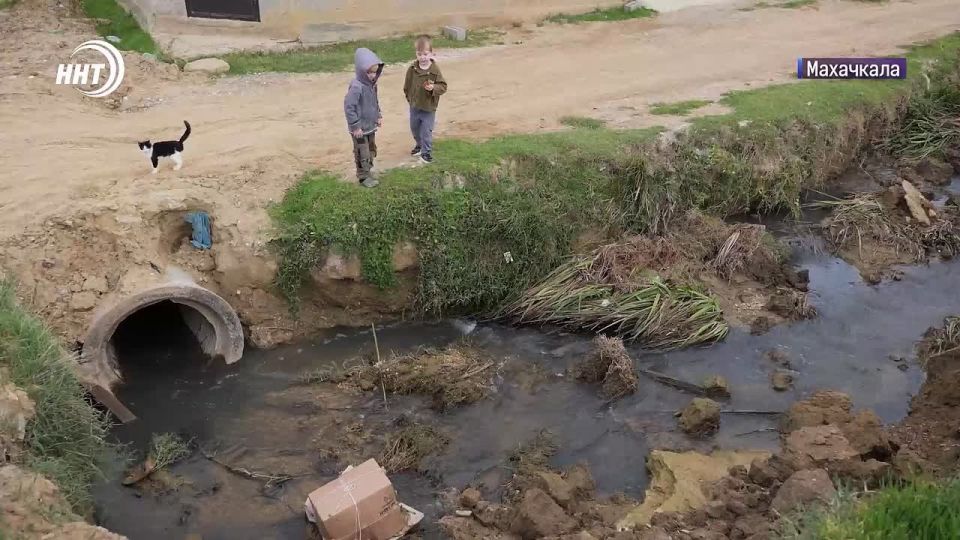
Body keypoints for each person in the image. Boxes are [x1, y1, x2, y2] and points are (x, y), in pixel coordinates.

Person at [403, 35, 448, 164]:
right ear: (416, 54)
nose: (422, 57)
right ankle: (419, 145)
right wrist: (410, 99)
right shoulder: (412, 69)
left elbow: (443, 86)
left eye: (425, 54)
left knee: (426, 130)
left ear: (431, 54)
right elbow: (407, 86)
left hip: (428, 108)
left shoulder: (434, 70)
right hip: (415, 106)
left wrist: (433, 87)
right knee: (415, 128)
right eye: (419, 54)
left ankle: (426, 153)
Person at [344, 48, 384, 187]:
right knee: (362, 152)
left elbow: (375, 102)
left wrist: (378, 115)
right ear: (361, 71)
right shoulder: (356, 87)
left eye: (375, 72)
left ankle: (368, 171)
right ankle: (363, 176)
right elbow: (349, 107)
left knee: (371, 149)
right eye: (369, 72)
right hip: (359, 129)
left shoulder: (373, 85)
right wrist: (355, 126)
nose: (373, 75)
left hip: (370, 126)